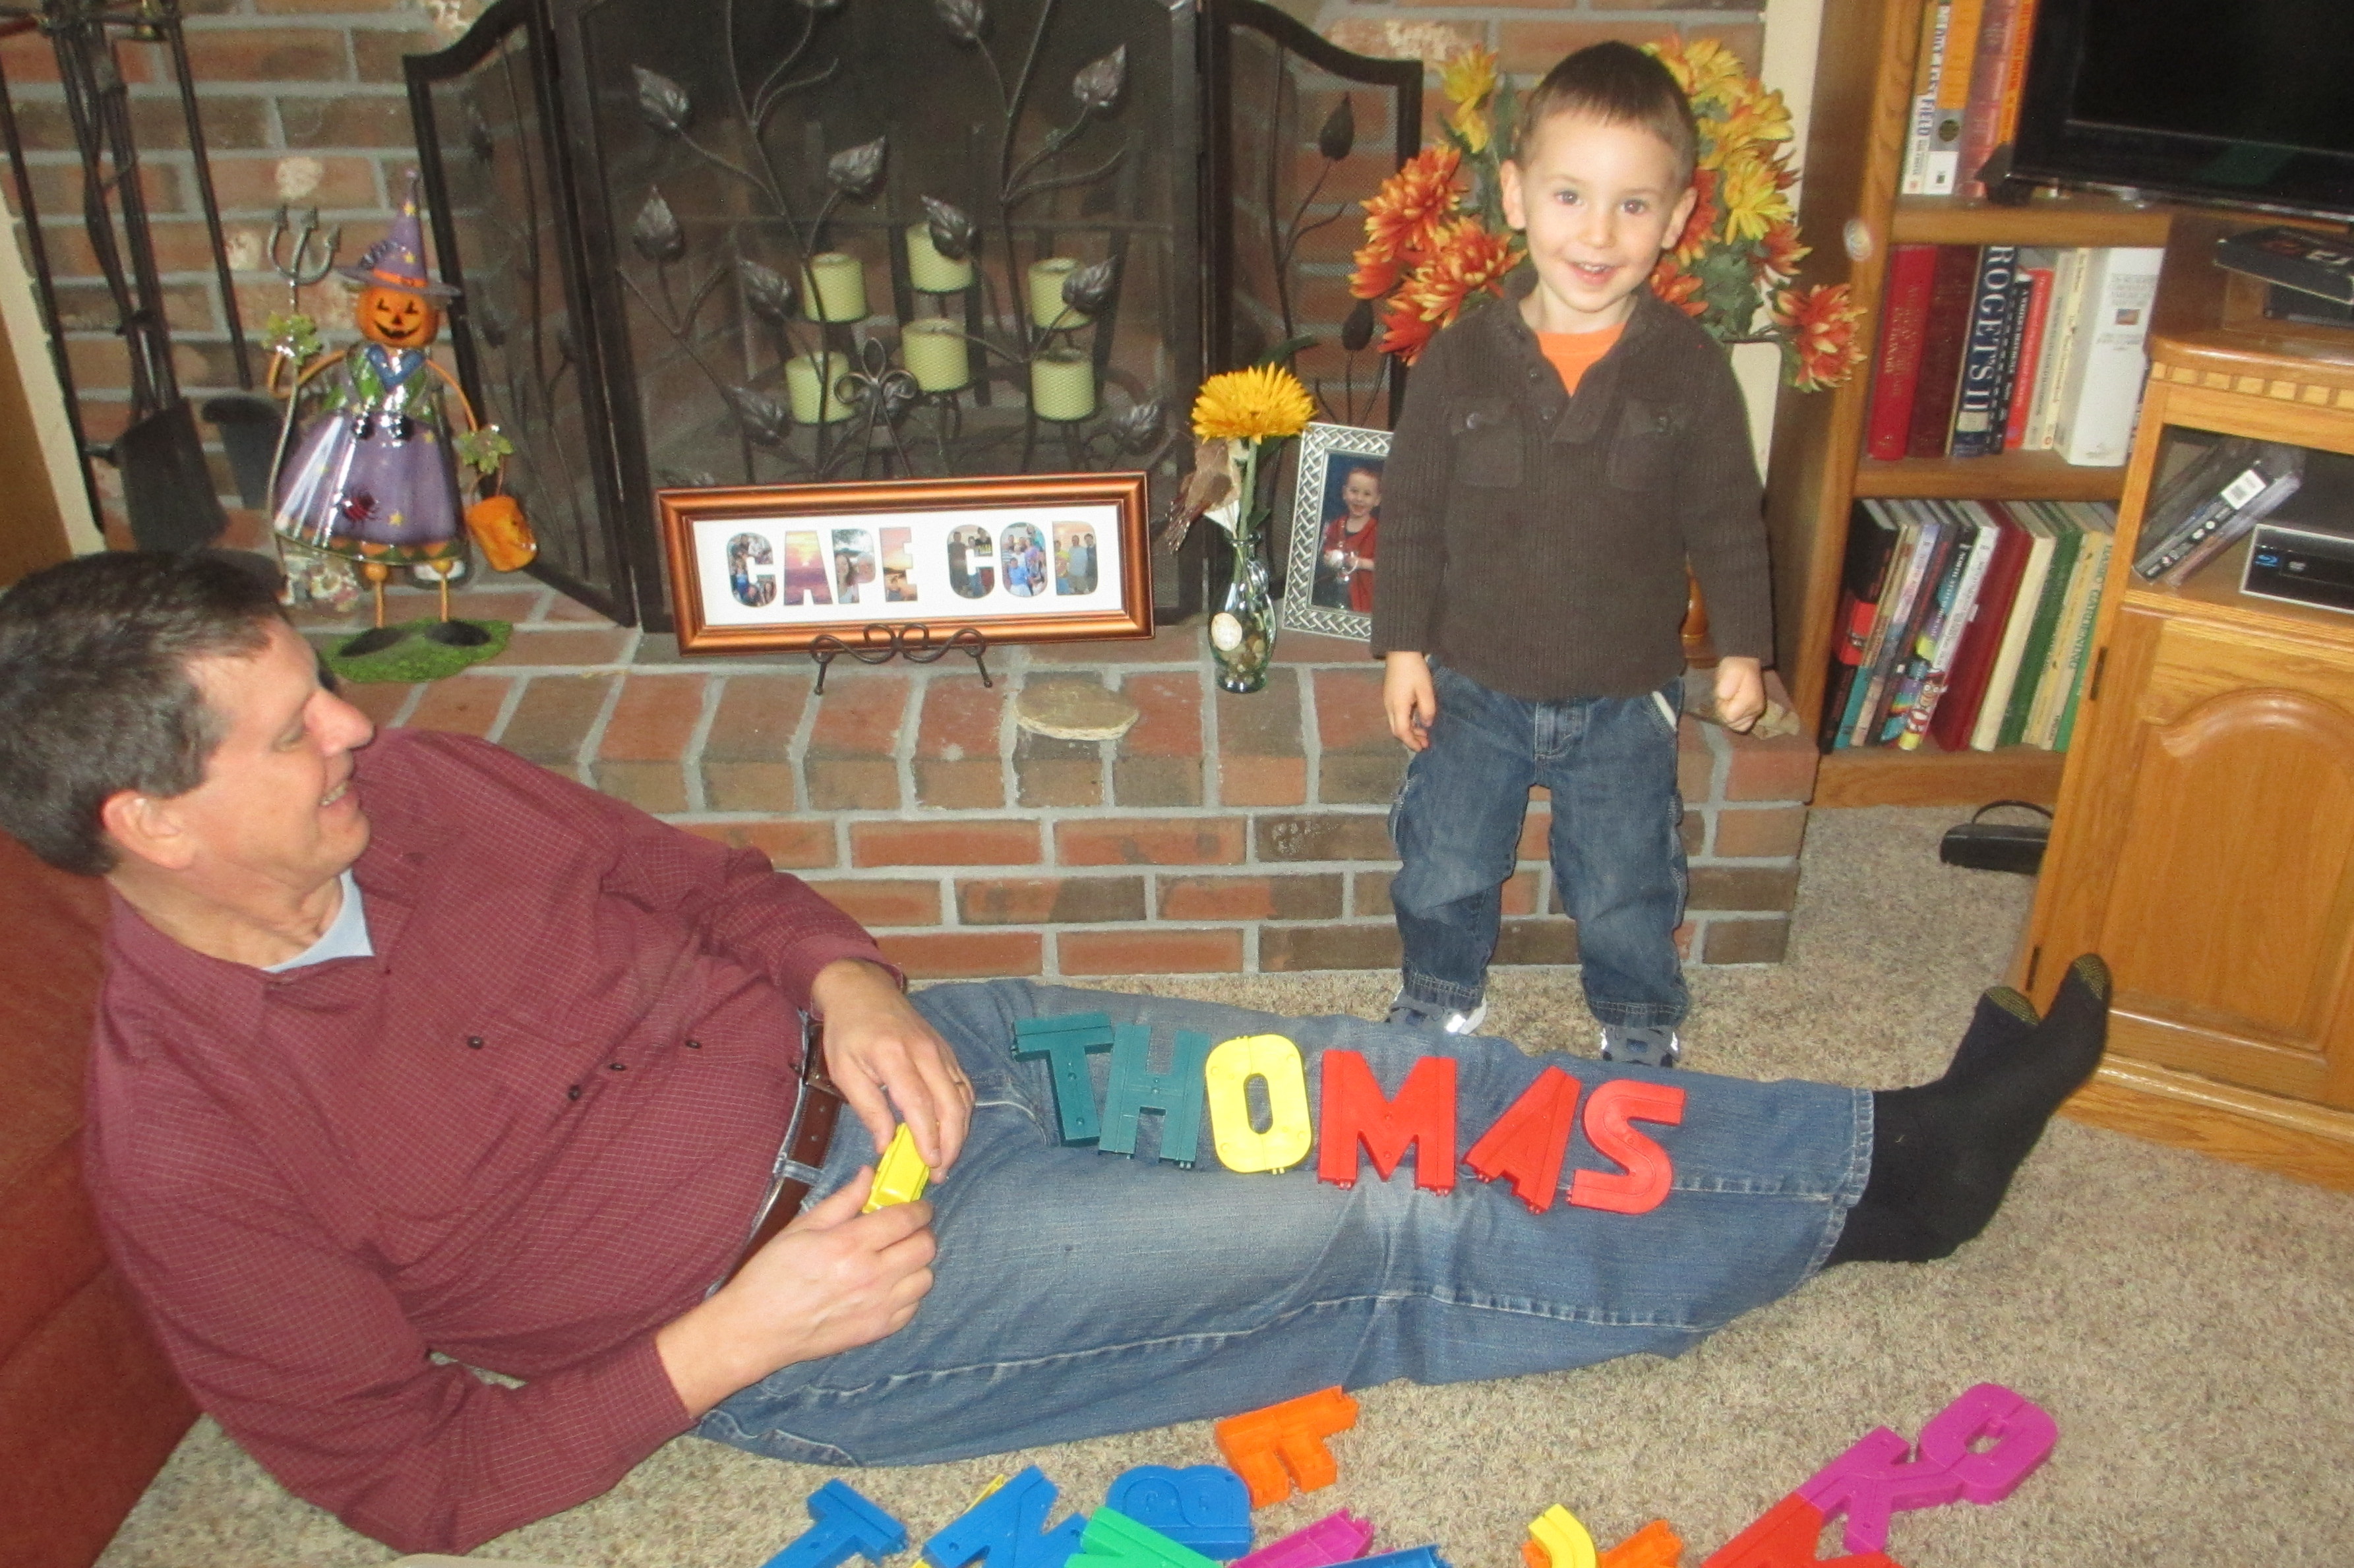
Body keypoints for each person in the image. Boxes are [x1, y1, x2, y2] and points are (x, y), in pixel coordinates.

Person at [0, 552, 2111, 1557]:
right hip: (833, 1302)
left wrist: (849, 982)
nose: (358, 725)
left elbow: (714, 884)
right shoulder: (187, 1148)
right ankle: (1861, 1220)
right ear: (151, 823)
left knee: (1402, 1088)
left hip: (935, 1057)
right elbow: (405, 1483)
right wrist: (733, 1339)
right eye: (293, 727)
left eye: (325, 686)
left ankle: (1877, 1154)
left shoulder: (430, 793)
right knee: (1370, 1222)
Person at [1372, 44, 1767, 1066]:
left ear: (1677, 217)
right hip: (1473, 682)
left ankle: (1637, 1015)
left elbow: (1727, 517)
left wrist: (1742, 646)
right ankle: (1437, 993)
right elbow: (1410, 513)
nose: (1597, 234)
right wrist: (1403, 649)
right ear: (1514, 196)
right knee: (1444, 863)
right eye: (1568, 196)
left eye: (1633, 205)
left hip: (1624, 695)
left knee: (1626, 880)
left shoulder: (1688, 369)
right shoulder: (1459, 359)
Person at [1312, 461, 1381, 613]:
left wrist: (1360, 563)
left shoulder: (1378, 531)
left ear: (1377, 500)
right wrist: (1329, 557)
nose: (1359, 499)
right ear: (1344, 493)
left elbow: (1384, 564)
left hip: (1363, 592)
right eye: (1354, 491)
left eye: (1367, 494)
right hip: (1335, 588)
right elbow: (1327, 547)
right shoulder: (1337, 525)